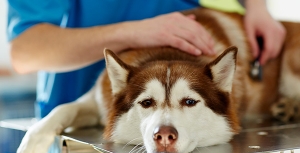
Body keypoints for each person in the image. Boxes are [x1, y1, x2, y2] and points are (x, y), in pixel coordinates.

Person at [7, 0, 285, 119]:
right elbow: (26, 51)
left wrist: (258, 8)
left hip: (189, 127)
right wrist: (135, 32)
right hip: (87, 126)